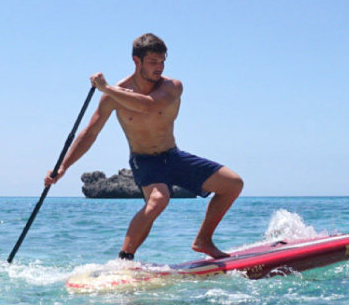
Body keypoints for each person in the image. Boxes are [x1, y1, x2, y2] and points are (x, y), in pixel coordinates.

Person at [44, 33, 243, 260]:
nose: (159, 67)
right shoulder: (113, 95)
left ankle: (203, 240)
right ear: (136, 61)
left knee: (233, 184)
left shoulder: (172, 86)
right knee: (158, 200)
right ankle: (124, 259)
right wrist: (63, 167)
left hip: (173, 156)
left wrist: (107, 88)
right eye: (153, 62)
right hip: (145, 161)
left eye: (162, 61)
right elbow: (90, 133)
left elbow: (149, 106)